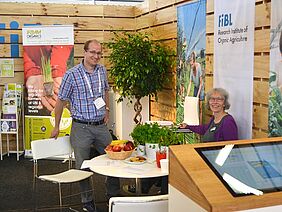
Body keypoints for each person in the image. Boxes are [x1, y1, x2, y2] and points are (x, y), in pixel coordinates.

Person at [50, 39, 119, 212]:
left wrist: (107, 110)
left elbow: (104, 90)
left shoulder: (102, 70)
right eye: (93, 52)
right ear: (85, 52)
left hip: (101, 127)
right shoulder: (71, 74)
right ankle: (87, 201)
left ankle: (113, 195)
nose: (96, 56)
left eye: (99, 53)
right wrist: (56, 126)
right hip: (81, 128)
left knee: (115, 159)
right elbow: (61, 102)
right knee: (82, 165)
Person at [24, 45, 73, 114]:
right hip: (33, 64)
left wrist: (56, 70)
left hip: (55, 62)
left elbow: (63, 42)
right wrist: (31, 71)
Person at [187, 51, 205, 123]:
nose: (191, 66)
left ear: (194, 62)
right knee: (195, 107)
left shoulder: (199, 67)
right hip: (196, 87)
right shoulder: (191, 69)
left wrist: (198, 95)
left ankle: (200, 125)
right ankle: (195, 123)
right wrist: (187, 95)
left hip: (201, 88)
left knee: (200, 108)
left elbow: (201, 83)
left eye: (191, 64)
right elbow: (190, 83)